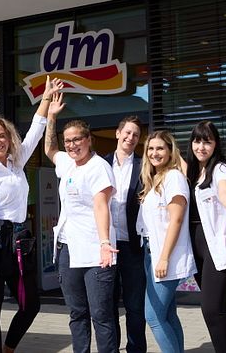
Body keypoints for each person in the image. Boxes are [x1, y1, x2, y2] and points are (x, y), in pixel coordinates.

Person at [0, 76, 63, 353]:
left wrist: (46, 96)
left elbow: (36, 129)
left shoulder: (16, 162)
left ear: (8, 137)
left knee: (31, 304)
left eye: (1, 136)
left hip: (21, 239)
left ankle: (8, 348)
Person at [44, 92, 119, 353]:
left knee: (101, 314)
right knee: (77, 313)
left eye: (77, 139)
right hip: (67, 248)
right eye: (68, 141)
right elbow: (49, 149)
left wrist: (104, 243)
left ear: (89, 140)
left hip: (96, 250)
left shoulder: (98, 167)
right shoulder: (68, 164)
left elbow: (101, 205)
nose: (72, 145)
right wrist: (51, 117)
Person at [136, 130, 196, 353]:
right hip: (151, 253)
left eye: (160, 148)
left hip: (164, 256)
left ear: (171, 151)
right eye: (150, 148)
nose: (154, 153)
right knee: (168, 314)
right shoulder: (155, 180)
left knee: (152, 317)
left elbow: (177, 220)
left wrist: (163, 258)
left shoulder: (174, 178)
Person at [184, 121, 226, 352]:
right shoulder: (192, 170)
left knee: (210, 307)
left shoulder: (220, 169)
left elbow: (225, 191)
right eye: (197, 141)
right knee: (221, 305)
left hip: (215, 245)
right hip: (195, 247)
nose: (201, 146)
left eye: (207, 141)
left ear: (215, 144)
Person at [104, 115, 146, 353]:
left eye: (136, 135)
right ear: (118, 134)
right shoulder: (101, 163)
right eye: (127, 132)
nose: (131, 137)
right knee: (108, 304)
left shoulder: (143, 165)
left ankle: (136, 349)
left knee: (134, 305)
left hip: (132, 245)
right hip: (107, 245)